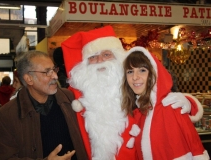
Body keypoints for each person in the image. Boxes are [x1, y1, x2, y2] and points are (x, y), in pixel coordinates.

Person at [61, 25, 204, 159]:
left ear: (118, 58)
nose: (99, 61)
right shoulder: (77, 96)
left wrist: (189, 103)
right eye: (92, 57)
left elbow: (158, 95)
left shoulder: (132, 87)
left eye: (106, 55)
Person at [0, 50, 88, 160]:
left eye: (54, 69)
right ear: (29, 79)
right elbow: (3, 157)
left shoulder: (70, 98)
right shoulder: (7, 115)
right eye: (47, 72)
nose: (55, 76)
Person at [121, 46, 209, 159]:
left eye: (142, 70)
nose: (134, 77)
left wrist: (189, 102)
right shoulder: (140, 111)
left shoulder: (170, 105)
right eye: (130, 71)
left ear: (154, 73)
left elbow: (195, 146)